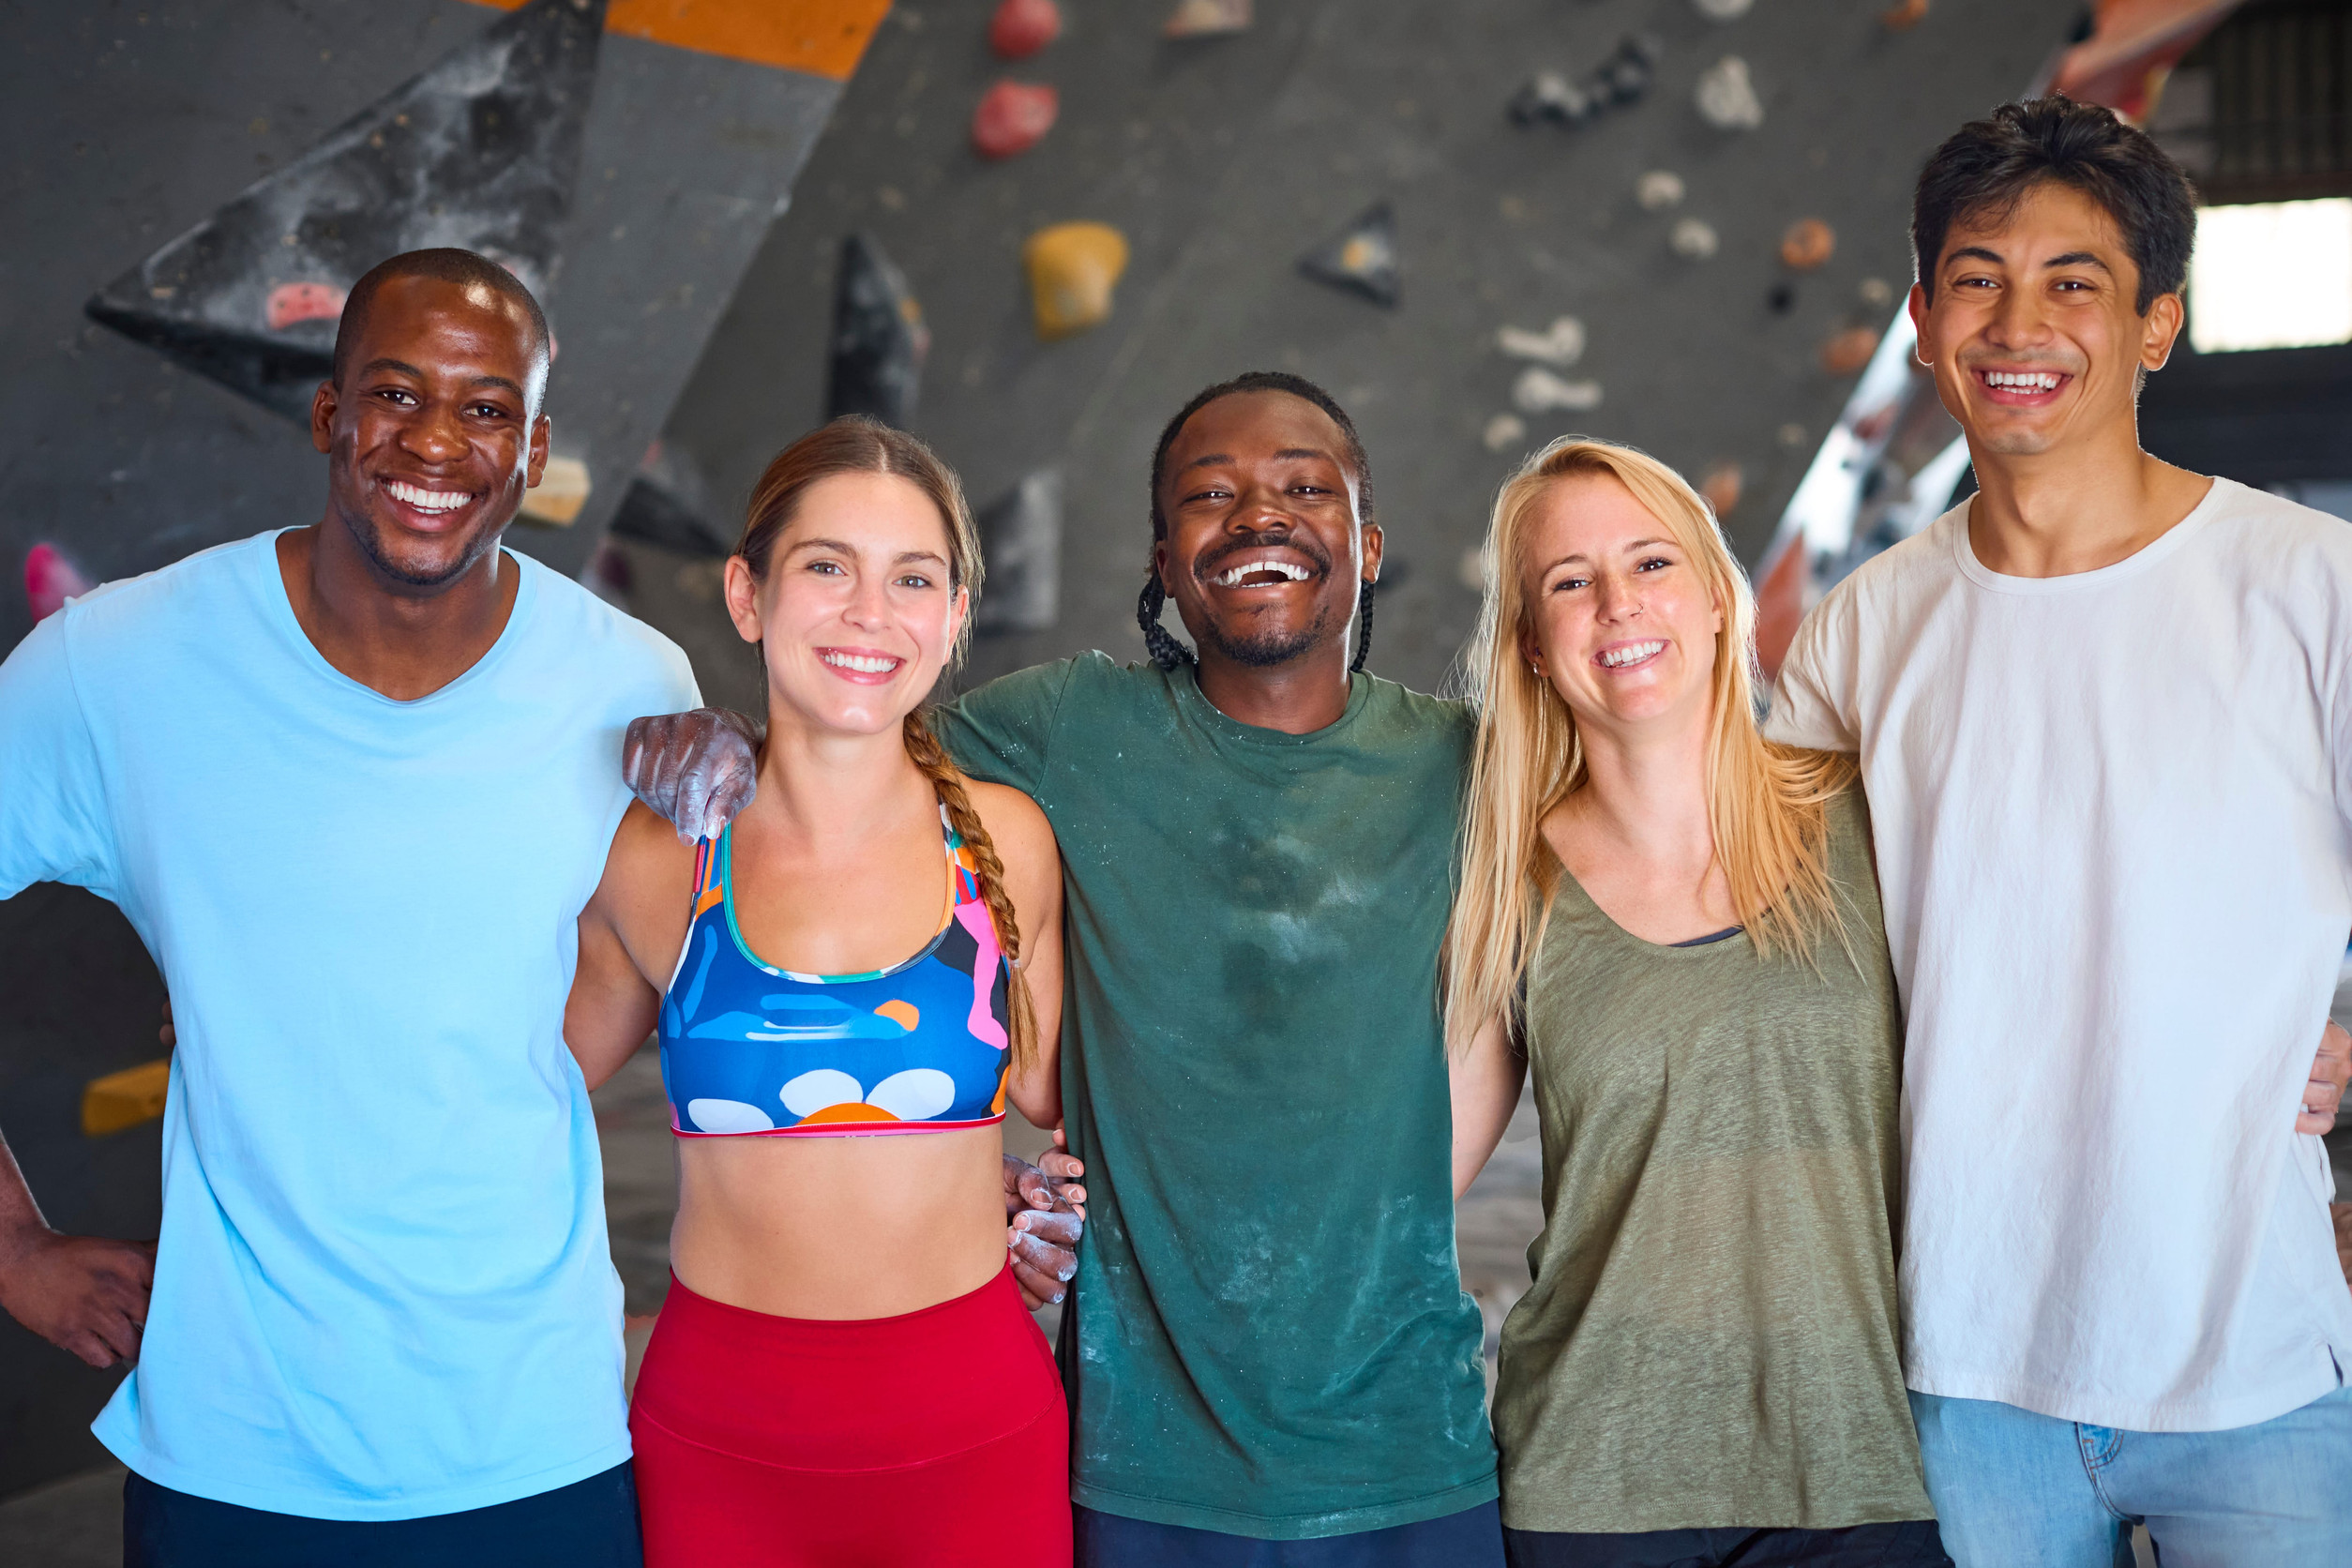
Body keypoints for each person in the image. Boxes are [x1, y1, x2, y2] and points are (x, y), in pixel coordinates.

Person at [0, 250, 1079, 1565]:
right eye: (396, 395)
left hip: (544, 1449)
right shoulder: (122, 662)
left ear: (535, 446)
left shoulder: (630, 686)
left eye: (485, 408)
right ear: (330, 414)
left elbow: (534, 1043)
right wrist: (14, 1244)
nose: (435, 444)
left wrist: (1029, 1200)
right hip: (239, 1446)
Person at [628, 372, 1504, 1565]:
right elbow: (855, 738)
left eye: (1305, 486)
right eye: (1212, 492)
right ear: (1162, 552)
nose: (1259, 515)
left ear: (1372, 542)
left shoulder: (1469, 765)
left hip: (1407, 1438)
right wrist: (722, 734)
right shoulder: (1067, 729)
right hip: (1133, 1449)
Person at [1766, 97, 2352, 1563]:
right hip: (1967, 1369)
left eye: (2073, 282)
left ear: (2156, 325)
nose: (2018, 322)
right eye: (1977, 277)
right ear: (1922, 317)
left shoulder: (2306, 585)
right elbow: (1769, 938)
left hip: (2256, 1364)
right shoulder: (1862, 630)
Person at [563, 417, 1072, 1566]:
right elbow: (509, 1081)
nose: (868, 612)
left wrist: (1045, 1205)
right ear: (748, 595)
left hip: (976, 1434)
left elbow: (1074, 1101)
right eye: (826, 567)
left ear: (951, 621)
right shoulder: (658, 860)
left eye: (913, 579)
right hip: (720, 1441)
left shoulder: (1007, 844)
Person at [1444, 437, 1950, 1567]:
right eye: (1570, 582)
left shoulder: (1870, 813)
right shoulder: (1508, 879)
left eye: (1652, 563)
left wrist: (2271, 1048)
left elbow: (2058, 984)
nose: (1618, 604)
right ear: (1531, 644)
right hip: (1593, 1483)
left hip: (1859, 1466)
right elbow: (1410, 1171)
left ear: (1721, 598)